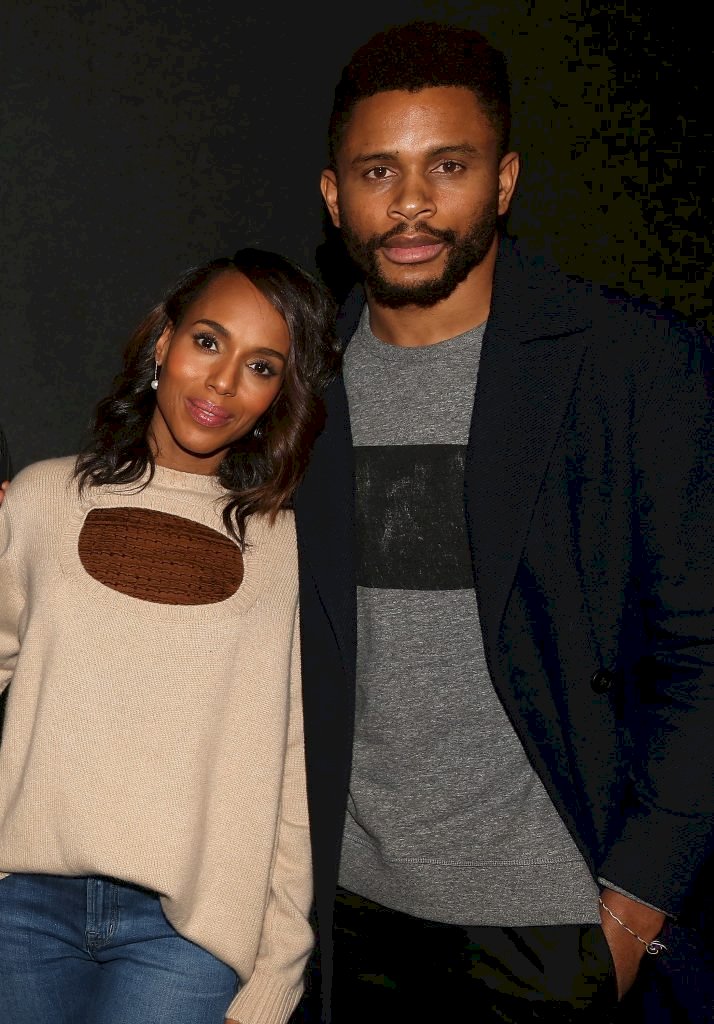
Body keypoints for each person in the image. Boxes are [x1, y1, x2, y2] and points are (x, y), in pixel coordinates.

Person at [293, 19, 714, 1023]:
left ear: (506, 179)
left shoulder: (631, 364)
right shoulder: (301, 383)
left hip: (553, 934)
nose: (410, 202)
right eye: (376, 171)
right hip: (342, 924)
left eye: (449, 164)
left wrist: (632, 912)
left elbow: (701, 649)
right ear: (333, 194)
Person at [0, 247, 340, 1024]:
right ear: (164, 344)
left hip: (188, 934)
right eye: (209, 342)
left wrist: (279, 969)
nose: (222, 383)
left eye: (261, 366)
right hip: (19, 912)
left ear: (279, 395)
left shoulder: (288, 548)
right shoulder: (47, 498)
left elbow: (293, 773)